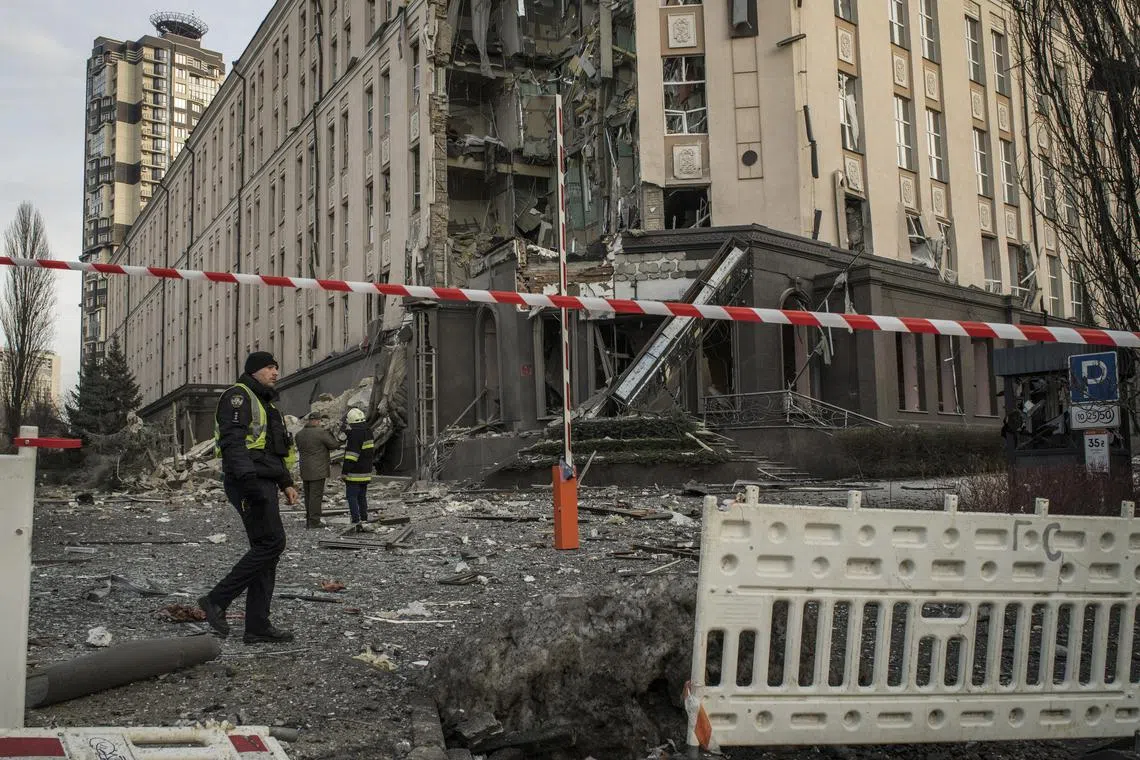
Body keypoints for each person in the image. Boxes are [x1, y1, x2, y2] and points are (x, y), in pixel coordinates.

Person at [198, 351, 299, 644]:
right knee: (272, 543)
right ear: (254, 371)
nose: (276, 372)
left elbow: (272, 448)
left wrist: (286, 482)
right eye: (270, 367)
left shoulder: (267, 404)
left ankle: (257, 626)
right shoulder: (238, 397)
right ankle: (216, 600)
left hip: (263, 480)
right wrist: (250, 483)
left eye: (277, 367)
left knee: (266, 553)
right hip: (248, 482)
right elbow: (233, 444)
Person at [294, 412, 340, 528]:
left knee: (308, 495)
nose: (320, 423)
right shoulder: (320, 433)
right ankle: (314, 521)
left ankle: (309, 519)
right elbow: (334, 445)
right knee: (316, 496)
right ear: (317, 421)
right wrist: (331, 434)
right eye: (320, 421)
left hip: (305, 469)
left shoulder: (299, 434)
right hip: (318, 469)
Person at [342, 407, 375, 525]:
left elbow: (351, 455)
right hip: (366, 471)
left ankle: (356, 520)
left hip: (354, 473)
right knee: (362, 496)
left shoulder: (355, 434)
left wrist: (345, 471)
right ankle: (364, 518)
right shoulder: (368, 431)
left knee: (352, 496)